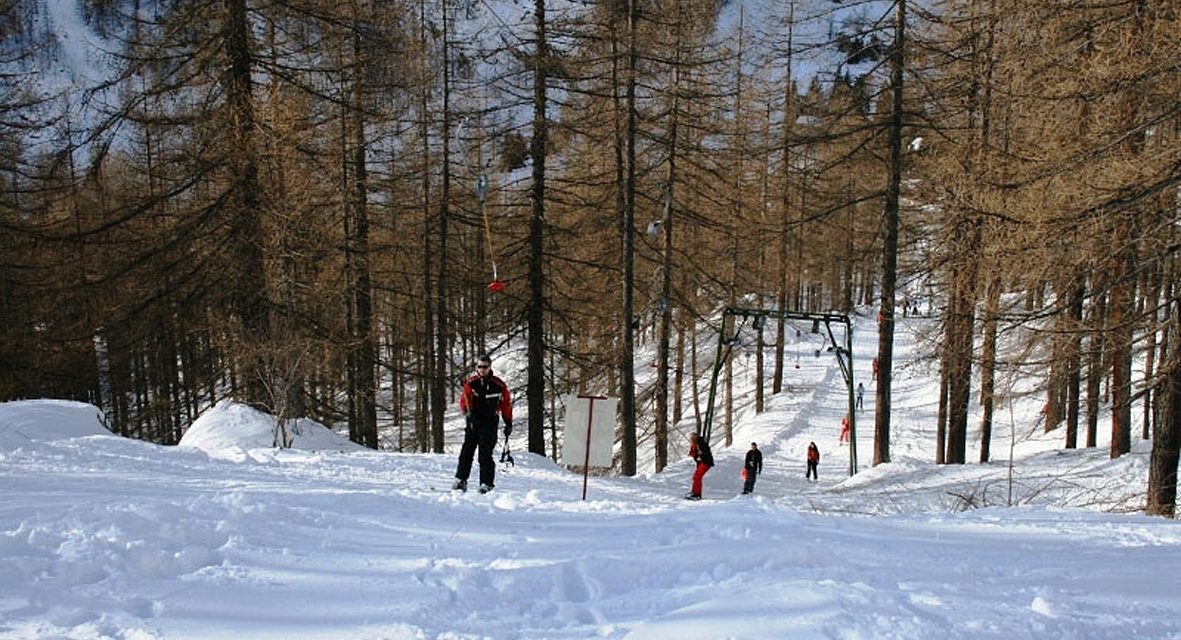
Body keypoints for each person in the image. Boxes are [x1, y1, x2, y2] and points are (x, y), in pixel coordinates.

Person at [452, 354, 513, 494]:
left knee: (485, 455)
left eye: (485, 367)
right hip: (474, 421)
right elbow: (464, 400)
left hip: (490, 422)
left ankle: (486, 484)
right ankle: (461, 479)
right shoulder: (471, 383)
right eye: (479, 367)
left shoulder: (498, 385)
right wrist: (467, 413)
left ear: (490, 367)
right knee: (467, 452)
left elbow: (506, 405)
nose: (482, 369)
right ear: (476, 368)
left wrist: (508, 422)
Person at [685, 432, 714, 500]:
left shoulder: (700, 443)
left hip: (705, 463)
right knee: (696, 477)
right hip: (702, 462)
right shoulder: (697, 444)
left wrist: (700, 455)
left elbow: (705, 451)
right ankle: (694, 492)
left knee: (697, 477)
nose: (691, 440)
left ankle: (697, 494)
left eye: (692, 438)